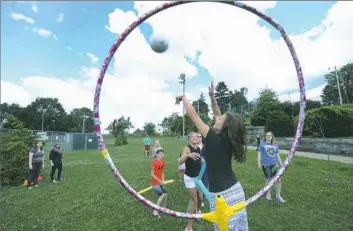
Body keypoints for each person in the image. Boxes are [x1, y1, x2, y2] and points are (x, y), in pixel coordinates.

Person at [175, 81, 249, 231]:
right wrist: (212, 97)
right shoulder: (227, 138)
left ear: (225, 126)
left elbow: (194, 116)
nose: (218, 118)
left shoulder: (213, 137)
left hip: (222, 196)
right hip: (235, 190)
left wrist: (183, 98)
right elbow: (216, 113)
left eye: (221, 119)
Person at [179, 132, 203, 231]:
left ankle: (197, 211)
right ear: (190, 139)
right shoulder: (187, 148)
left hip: (198, 178)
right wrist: (188, 155)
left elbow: (198, 160)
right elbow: (180, 161)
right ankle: (188, 227)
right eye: (192, 136)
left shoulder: (198, 148)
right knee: (194, 200)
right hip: (189, 178)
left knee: (201, 198)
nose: (194, 138)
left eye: (196, 137)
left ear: (198, 140)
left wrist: (202, 161)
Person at [257, 131, 285, 203]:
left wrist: (281, 164)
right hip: (266, 165)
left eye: (270, 135)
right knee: (268, 179)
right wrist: (259, 163)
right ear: (265, 136)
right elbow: (259, 154)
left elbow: (278, 155)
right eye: (267, 135)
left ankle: (278, 195)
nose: (268, 136)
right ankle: (268, 193)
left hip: (275, 165)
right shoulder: (262, 145)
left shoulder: (275, 145)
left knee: (278, 180)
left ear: (272, 137)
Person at [150, 149, 168, 218]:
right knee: (162, 195)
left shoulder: (163, 162)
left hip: (160, 182)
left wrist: (163, 180)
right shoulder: (154, 162)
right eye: (159, 153)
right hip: (154, 183)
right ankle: (155, 211)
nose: (161, 154)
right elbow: (152, 174)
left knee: (165, 194)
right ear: (156, 154)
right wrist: (159, 180)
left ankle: (164, 208)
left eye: (162, 153)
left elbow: (162, 172)